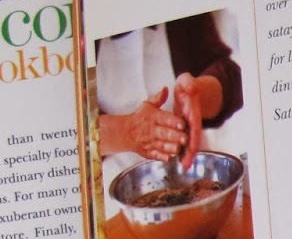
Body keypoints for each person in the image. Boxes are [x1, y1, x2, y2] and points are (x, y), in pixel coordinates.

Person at [96, 11, 243, 164]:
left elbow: (231, 76)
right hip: (108, 171)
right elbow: (79, 133)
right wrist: (128, 132)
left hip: (192, 161)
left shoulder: (182, 9)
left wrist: (198, 94)